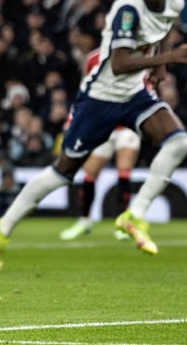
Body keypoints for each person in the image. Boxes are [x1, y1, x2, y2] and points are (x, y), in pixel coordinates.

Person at [0, 0, 187, 271]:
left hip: (134, 94)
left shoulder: (174, 2)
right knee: (63, 172)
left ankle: (135, 214)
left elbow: (156, 36)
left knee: (180, 142)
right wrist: (166, 59)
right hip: (99, 98)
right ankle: (1, 229)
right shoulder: (127, 9)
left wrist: (158, 67)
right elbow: (118, 64)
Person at [59, 48, 142, 241]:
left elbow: (145, 88)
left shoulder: (135, 56)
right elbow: (86, 91)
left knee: (124, 171)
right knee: (89, 174)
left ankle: (124, 224)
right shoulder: (93, 58)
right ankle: (85, 221)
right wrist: (74, 119)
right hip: (101, 125)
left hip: (126, 125)